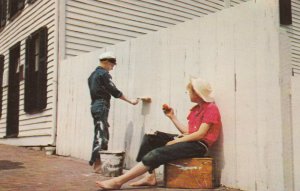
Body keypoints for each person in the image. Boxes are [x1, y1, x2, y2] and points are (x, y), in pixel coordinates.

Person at [95, 77, 222, 190]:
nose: (188, 93)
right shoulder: (196, 109)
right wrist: (172, 117)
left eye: (190, 91)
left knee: (157, 153)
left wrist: (175, 141)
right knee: (151, 137)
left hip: (199, 145)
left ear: (197, 93)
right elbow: (188, 132)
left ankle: (118, 181)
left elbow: (200, 134)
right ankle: (150, 177)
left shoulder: (211, 108)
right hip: (191, 139)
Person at [88, 51, 139, 172]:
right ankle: (98, 165)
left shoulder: (92, 75)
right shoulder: (103, 74)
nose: (113, 67)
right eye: (112, 64)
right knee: (102, 134)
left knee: (101, 132)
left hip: (95, 105)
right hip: (101, 105)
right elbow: (114, 91)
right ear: (106, 62)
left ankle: (97, 163)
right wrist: (130, 100)